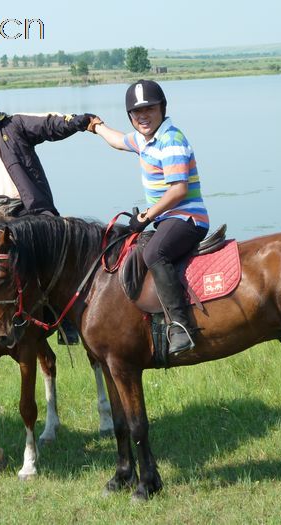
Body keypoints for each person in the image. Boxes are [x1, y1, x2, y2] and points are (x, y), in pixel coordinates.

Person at [0, 74, 97, 349]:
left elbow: (49, 125)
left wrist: (80, 122)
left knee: (53, 252)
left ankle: (64, 318)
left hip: (27, 207)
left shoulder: (15, 125)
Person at [92, 79, 209, 355]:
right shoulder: (145, 140)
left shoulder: (171, 140)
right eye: (136, 113)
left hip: (187, 218)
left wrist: (146, 216)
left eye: (149, 110)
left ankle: (181, 326)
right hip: (167, 219)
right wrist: (95, 126)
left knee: (155, 253)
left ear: (162, 109)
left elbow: (179, 189)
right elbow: (118, 141)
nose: (142, 116)